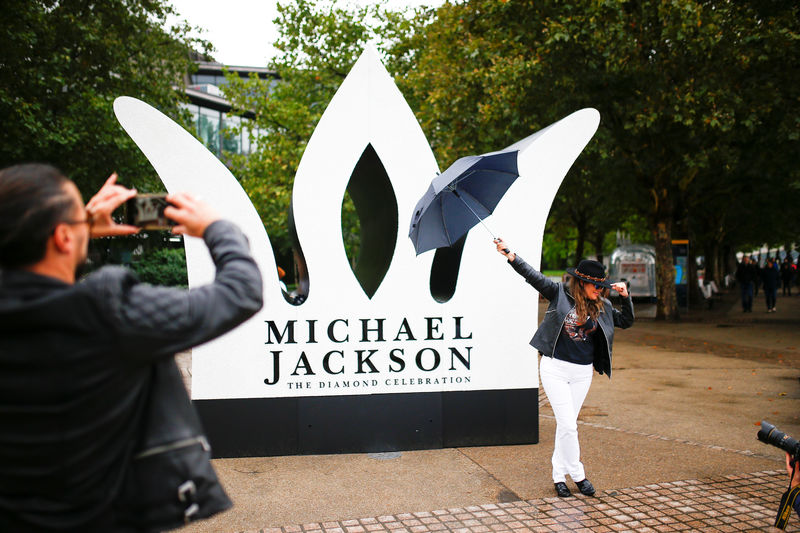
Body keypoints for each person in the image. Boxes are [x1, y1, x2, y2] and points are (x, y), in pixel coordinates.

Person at [0, 164, 263, 531]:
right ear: (61, 238)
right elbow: (240, 293)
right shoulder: (106, 311)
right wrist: (217, 227)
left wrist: (79, 227)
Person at [494, 239, 634, 498]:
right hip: (555, 369)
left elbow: (626, 321)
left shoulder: (602, 308)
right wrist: (512, 256)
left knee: (565, 425)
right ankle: (578, 474)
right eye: (596, 285)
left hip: (582, 374)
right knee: (569, 425)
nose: (600, 291)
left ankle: (558, 476)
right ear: (582, 282)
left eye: (603, 286)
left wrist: (626, 297)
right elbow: (534, 277)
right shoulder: (559, 294)